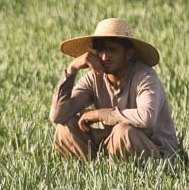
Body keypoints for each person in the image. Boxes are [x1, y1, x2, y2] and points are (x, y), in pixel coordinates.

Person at [50, 18, 179, 160]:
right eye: (99, 50)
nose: (104, 57)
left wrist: (100, 114)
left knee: (123, 132)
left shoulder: (144, 76)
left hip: (156, 153)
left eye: (112, 50)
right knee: (64, 128)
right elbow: (58, 116)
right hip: (114, 144)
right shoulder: (94, 78)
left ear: (128, 54)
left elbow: (146, 117)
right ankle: (94, 173)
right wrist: (71, 69)